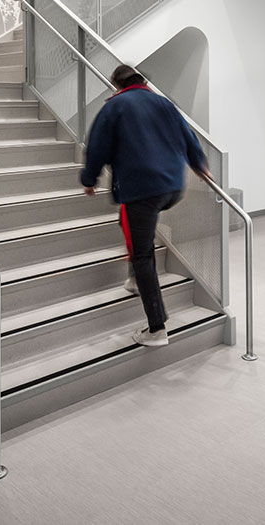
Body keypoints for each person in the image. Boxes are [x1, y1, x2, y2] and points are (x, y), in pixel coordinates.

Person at [81, 64, 210, 348]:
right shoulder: (163, 103)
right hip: (173, 187)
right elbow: (188, 137)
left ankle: (156, 328)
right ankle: (135, 278)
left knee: (142, 254)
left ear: (117, 85)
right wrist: (200, 165)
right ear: (141, 82)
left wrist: (89, 179)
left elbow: (97, 147)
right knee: (129, 223)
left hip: (141, 189)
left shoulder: (115, 106)